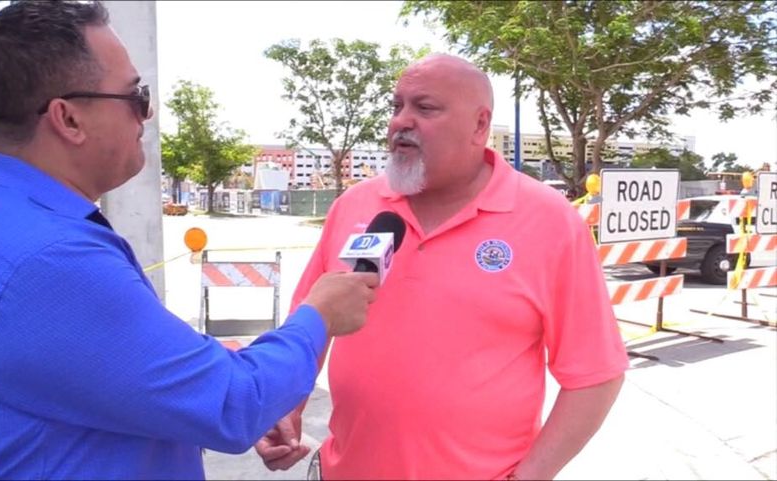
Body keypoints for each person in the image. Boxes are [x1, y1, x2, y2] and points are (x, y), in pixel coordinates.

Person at [0, 2, 378, 479]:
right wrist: (318, 317)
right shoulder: (47, 258)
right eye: (134, 96)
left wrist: (211, 382)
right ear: (69, 119)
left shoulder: (1, 217)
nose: (147, 112)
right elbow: (233, 403)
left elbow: (114, 361)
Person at [255, 54, 629, 480]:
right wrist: (286, 404)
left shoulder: (549, 220)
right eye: (396, 107)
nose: (401, 122)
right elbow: (310, 324)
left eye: (425, 108)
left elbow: (596, 374)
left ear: (479, 125)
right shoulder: (354, 206)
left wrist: (532, 475)